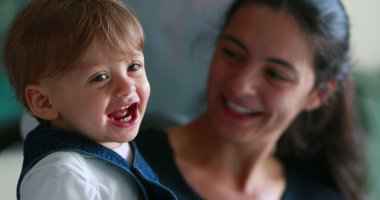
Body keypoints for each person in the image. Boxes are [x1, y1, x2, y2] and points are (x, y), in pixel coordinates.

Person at [135, 0, 366, 199]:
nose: (240, 86)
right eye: (232, 54)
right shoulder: (130, 165)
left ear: (319, 94)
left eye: (275, 74)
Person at [3, 0, 176, 199]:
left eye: (133, 67)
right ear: (44, 102)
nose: (127, 86)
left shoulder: (109, 141)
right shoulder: (61, 176)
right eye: (100, 77)